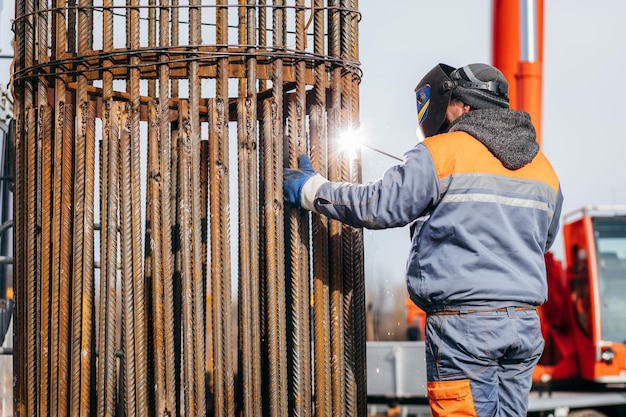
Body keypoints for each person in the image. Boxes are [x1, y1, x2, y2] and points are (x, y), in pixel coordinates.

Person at [283, 62, 564, 417]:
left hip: (466, 327)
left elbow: (378, 205)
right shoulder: (543, 168)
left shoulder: (443, 153)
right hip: (523, 326)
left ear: (462, 106)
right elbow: (543, 239)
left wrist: (313, 190)